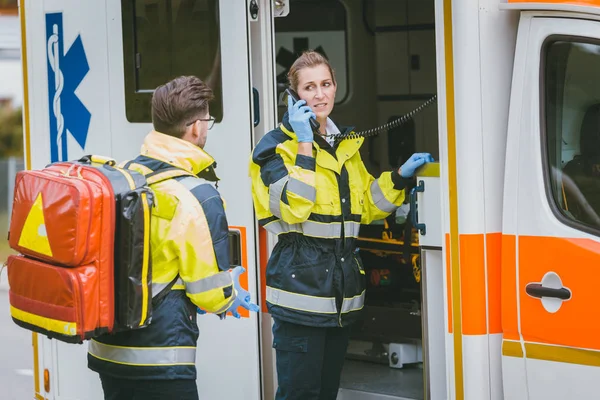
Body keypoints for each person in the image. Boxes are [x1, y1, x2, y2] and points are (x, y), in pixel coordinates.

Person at [249, 51, 433, 400]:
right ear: (294, 97)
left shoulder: (344, 145)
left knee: (327, 394)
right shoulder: (271, 151)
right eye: (309, 87)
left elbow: (365, 206)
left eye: (326, 84)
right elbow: (294, 206)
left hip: (341, 302)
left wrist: (399, 176)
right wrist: (304, 143)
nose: (320, 95)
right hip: (301, 300)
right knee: (300, 395)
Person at [88, 75, 258, 400]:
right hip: (161, 356)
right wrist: (228, 294)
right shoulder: (198, 195)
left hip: (109, 350)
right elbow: (207, 289)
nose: (207, 127)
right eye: (207, 120)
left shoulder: (125, 177)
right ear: (195, 128)